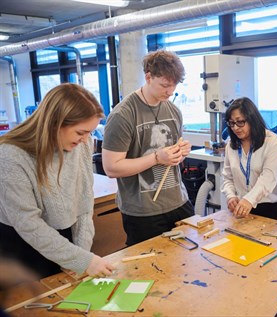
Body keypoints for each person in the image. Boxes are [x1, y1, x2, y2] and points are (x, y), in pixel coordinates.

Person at [0, 83, 114, 279]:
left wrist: (80, 254)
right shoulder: (11, 156)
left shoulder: (82, 146)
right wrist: (81, 260)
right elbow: (27, 223)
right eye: (80, 132)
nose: (86, 140)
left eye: (90, 132)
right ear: (55, 123)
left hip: (62, 237)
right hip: (21, 245)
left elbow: (85, 203)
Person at [102, 49, 193, 246]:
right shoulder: (123, 115)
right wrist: (156, 158)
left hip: (179, 202)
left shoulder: (173, 110)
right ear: (148, 77)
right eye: (165, 85)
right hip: (143, 211)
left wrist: (180, 152)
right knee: (149, 269)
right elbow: (111, 168)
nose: (170, 91)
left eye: (174, 85)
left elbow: (172, 157)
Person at [221, 97, 277, 221]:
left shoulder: (272, 142)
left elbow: (268, 178)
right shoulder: (231, 144)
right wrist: (230, 196)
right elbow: (227, 177)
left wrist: (249, 200)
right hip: (242, 207)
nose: (235, 128)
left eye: (240, 122)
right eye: (231, 123)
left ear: (252, 120)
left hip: (271, 208)